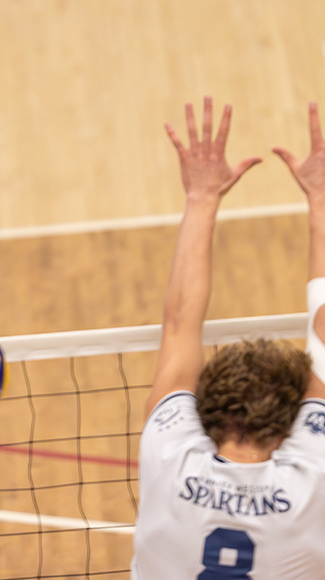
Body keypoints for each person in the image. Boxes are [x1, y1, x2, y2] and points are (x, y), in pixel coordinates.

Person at [131, 96, 325, 579]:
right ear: (289, 425)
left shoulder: (170, 453)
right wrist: (321, 198)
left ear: (207, 408)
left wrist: (201, 198)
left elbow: (179, 322)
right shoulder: (312, 477)